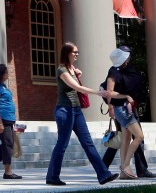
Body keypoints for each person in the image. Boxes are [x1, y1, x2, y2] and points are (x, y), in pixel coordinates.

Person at [45, 42, 117, 186]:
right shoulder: (62, 70)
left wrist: (78, 74)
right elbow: (76, 87)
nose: (77, 54)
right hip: (64, 111)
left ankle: (103, 175)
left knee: (88, 143)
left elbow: (76, 86)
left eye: (78, 52)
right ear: (67, 53)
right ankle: (52, 177)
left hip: (76, 110)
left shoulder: (73, 69)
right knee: (62, 144)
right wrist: (98, 92)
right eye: (74, 52)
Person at [101, 46, 156, 179]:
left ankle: (123, 173)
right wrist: (124, 97)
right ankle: (125, 166)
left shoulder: (125, 70)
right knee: (139, 136)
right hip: (122, 109)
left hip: (127, 108)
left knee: (125, 139)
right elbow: (109, 92)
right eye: (127, 56)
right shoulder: (113, 71)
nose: (129, 58)